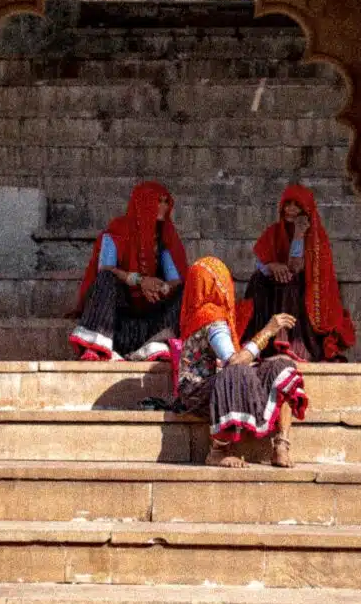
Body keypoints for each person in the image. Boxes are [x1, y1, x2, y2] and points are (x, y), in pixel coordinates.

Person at [178, 256, 307, 468]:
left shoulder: (215, 316)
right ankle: (218, 451)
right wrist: (268, 331)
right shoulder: (210, 317)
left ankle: (281, 445)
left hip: (224, 384)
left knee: (283, 365)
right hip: (198, 392)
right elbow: (235, 362)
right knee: (237, 372)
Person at [69, 180, 188, 361]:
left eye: (166, 201)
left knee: (184, 290)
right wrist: (140, 280)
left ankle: (157, 344)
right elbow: (105, 268)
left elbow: (175, 280)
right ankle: (98, 345)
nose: (164, 206)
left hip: (149, 324)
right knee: (106, 279)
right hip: (116, 322)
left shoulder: (164, 237)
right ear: (144, 203)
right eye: (159, 201)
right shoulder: (118, 230)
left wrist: (160, 287)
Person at [242, 183, 356, 362]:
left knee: (290, 281)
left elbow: (296, 268)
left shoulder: (316, 237)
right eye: (288, 204)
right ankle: (261, 342)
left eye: (297, 205)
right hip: (273, 287)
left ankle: (291, 344)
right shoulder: (273, 231)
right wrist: (273, 266)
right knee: (258, 280)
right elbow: (261, 262)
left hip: (303, 290)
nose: (291, 210)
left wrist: (298, 234)